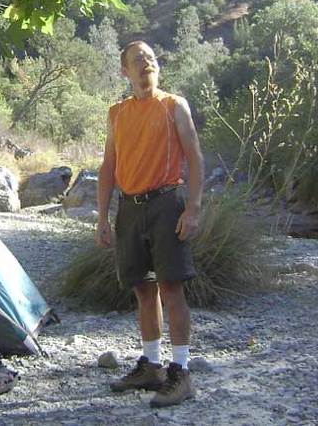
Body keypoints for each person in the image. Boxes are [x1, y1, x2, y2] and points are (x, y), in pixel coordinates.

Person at [96, 40, 204, 408]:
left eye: (151, 58)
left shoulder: (174, 106)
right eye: (137, 60)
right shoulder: (116, 113)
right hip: (129, 207)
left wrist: (192, 209)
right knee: (143, 290)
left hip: (166, 203)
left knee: (171, 287)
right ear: (124, 71)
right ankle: (151, 365)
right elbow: (108, 166)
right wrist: (102, 216)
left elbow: (195, 157)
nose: (146, 64)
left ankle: (181, 373)